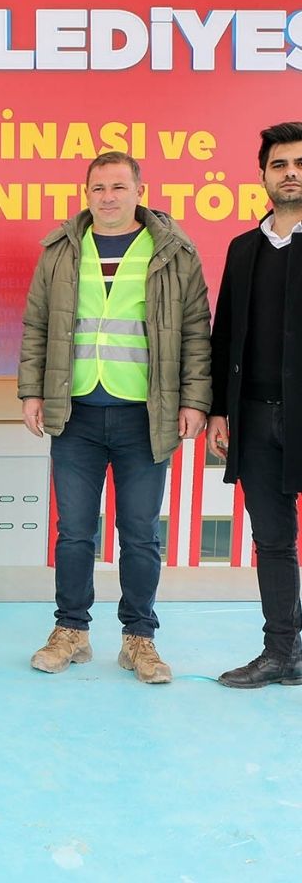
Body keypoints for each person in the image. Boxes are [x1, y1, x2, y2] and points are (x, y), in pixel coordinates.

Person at [18, 151, 211, 684]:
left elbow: (196, 330)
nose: (108, 196)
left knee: (140, 533)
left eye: (119, 186)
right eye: (98, 187)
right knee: (74, 532)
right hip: (75, 412)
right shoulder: (61, 251)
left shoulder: (174, 251)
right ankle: (71, 632)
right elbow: (37, 324)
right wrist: (32, 392)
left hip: (144, 418)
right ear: (86, 193)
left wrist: (194, 400)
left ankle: (139, 640)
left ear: (139, 190)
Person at [209, 122, 302, 688]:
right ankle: (279, 653)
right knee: (272, 540)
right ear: (263, 175)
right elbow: (225, 337)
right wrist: (220, 409)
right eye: (279, 164)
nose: (291, 172)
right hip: (254, 416)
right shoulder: (243, 250)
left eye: (299, 163)